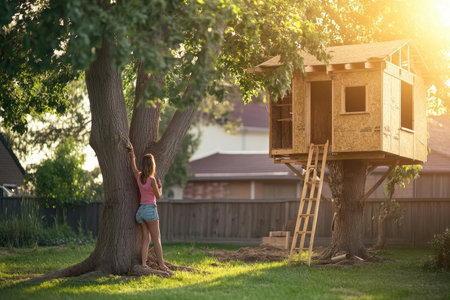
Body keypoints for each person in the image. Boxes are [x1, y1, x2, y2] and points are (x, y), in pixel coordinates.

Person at [127, 144, 170, 273]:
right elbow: (158, 196)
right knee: (157, 239)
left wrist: (132, 154)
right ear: (152, 165)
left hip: (140, 212)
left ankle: (144, 264)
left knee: (147, 238)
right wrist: (160, 187)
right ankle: (162, 265)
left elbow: (133, 166)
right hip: (150, 210)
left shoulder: (138, 176)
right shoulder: (152, 180)